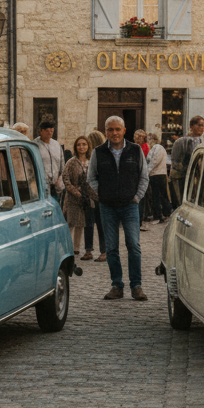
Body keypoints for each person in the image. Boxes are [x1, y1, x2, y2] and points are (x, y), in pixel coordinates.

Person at [87, 116, 149, 300]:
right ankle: (117, 285)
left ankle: (136, 286)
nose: (114, 133)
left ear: (124, 130)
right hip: (108, 207)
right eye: (110, 129)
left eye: (117, 129)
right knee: (111, 247)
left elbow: (144, 176)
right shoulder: (98, 152)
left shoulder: (135, 150)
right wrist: (103, 195)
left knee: (134, 245)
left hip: (130, 206)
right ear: (106, 131)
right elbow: (91, 178)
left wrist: (137, 197)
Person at [61, 135, 92, 258]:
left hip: (86, 197)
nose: (81, 147)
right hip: (73, 197)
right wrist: (75, 191)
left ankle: (76, 248)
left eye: (84, 144)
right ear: (75, 147)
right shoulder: (71, 162)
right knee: (70, 222)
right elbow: (65, 178)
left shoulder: (91, 161)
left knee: (80, 222)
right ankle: (68, 246)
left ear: (88, 146)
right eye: (79, 144)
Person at [170, 115, 204, 204]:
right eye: (199, 125)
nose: (201, 128)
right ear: (192, 126)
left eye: (203, 125)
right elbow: (175, 161)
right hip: (183, 177)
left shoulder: (203, 141)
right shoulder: (181, 142)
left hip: (198, 177)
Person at [86, 129, 107, 261]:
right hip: (95, 194)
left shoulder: (98, 157)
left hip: (97, 194)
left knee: (98, 223)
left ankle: (101, 251)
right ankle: (99, 251)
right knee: (97, 223)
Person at [35, 119, 64, 203]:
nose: (49, 133)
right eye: (47, 131)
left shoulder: (56, 145)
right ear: (41, 131)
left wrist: (60, 179)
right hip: (41, 186)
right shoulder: (35, 145)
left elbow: (62, 164)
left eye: (51, 131)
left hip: (56, 186)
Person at [145, 132, 172, 223]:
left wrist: (146, 172)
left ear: (153, 139)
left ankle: (161, 215)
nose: (148, 142)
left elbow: (154, 162)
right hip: (154, 175)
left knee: (159, 196)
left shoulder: (158, 148)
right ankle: (161, 214)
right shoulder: (153, 149)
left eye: (149, 139)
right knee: (157, 196)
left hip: (158, 175)